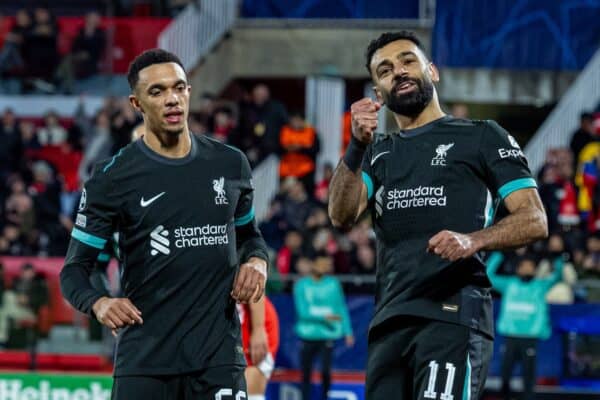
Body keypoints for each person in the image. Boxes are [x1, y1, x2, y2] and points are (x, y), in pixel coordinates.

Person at [328, 31, 548, 400]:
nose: (398, 71)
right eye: (385, 69)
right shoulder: (377, 151)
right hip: (389, 322)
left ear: (433, 71)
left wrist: (473, 239)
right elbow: (341, 214)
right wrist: (355, 146)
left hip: (453, 314)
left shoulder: (482, 136)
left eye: (407, 60)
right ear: (378, 93)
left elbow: (535, 219)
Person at [60, 49, 269, 399]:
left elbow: (249, 235)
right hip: (146, 361)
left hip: (219, 358)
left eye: (179, 87)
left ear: (189, 92)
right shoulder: (112, 178)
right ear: (137, 103)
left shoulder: (231, 165)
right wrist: (100, 303)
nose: (172, 99)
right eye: (157, 92)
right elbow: (75, 270)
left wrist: (257, 262)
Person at [486, 252, 563, 400]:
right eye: (524, 266)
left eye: (531, 267)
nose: (528, 269)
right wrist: (499, 254)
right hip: (511, 335)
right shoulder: (509, 284)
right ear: (518, 269)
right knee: (505, 372)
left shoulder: (541, 285)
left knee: (529, 374)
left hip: (530, 337)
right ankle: (504, 396)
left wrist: (558, 258)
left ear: (535, 270)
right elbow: (488, 275)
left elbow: (557, 276)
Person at [293, 252, 354, 400]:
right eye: (322, 263)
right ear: (313, 264)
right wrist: (326, 317)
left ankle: (325, 397)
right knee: (306, 372)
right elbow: (303, 312)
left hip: (327, 334)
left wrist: (348, 331)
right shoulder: (301, 285)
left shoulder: (333, 284)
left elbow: (341, 308)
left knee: (326, 372)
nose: (326, 267)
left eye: (327, 264)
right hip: (307, 335)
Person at [237, 296, 280, 400]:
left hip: (253, 320)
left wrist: (258, 328)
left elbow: (255, 283)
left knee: (248, 393)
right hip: (222, 323)